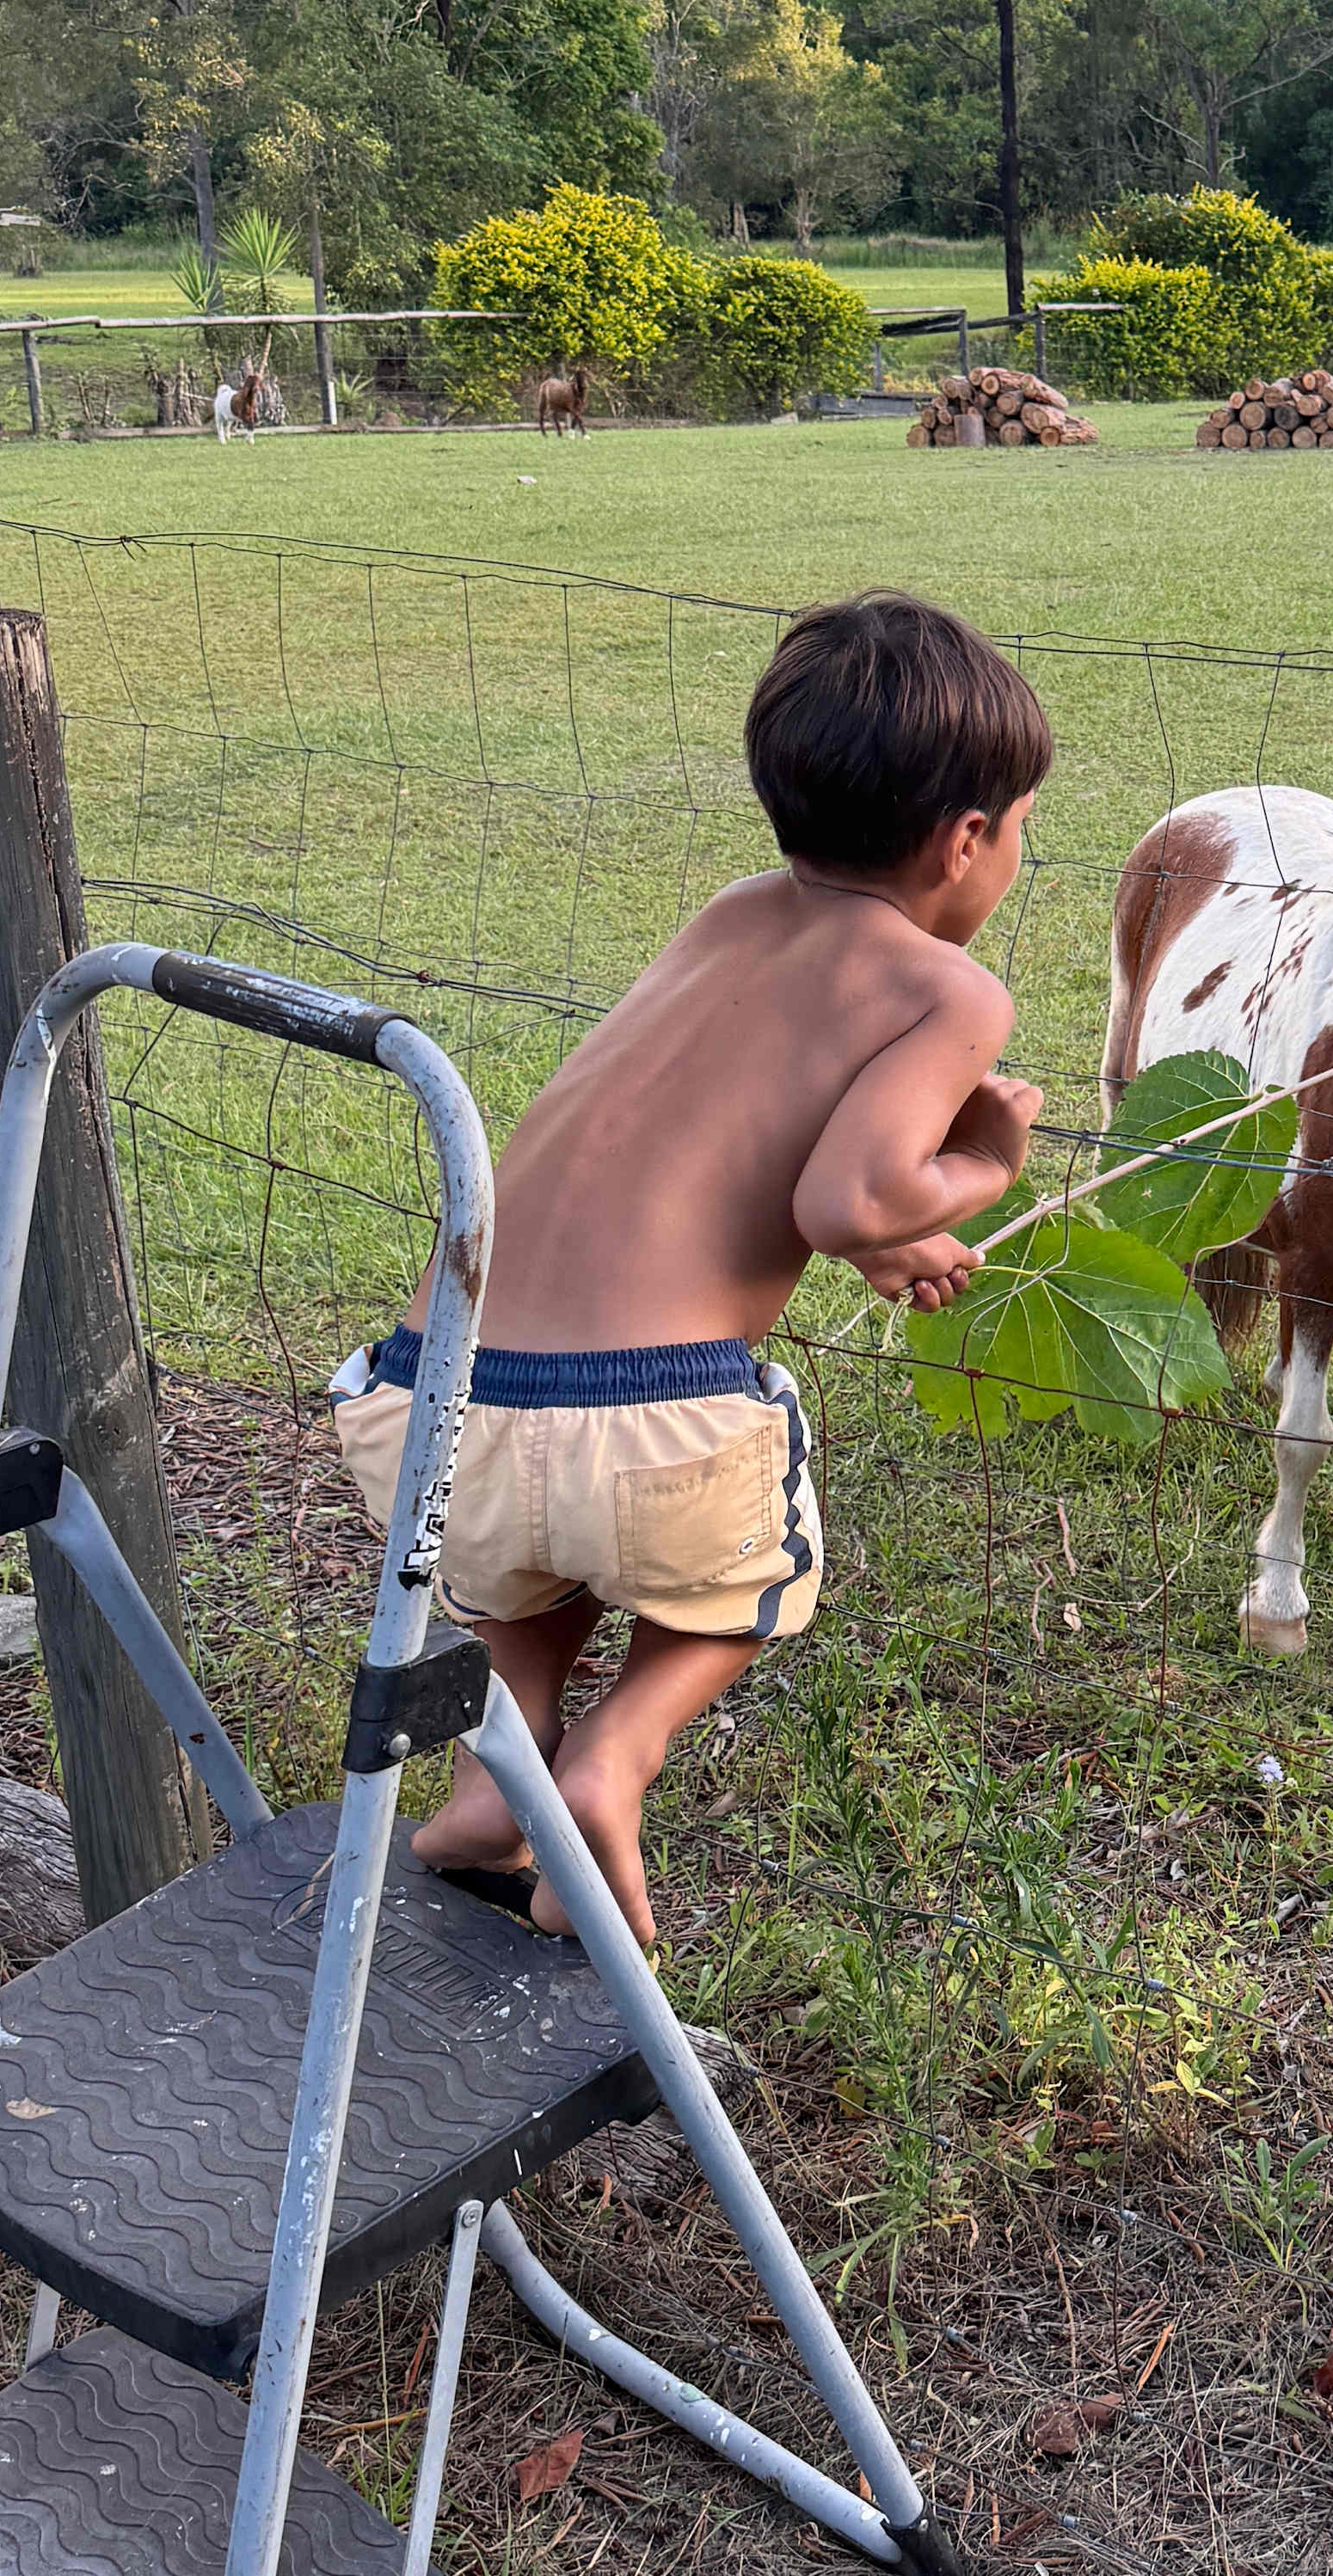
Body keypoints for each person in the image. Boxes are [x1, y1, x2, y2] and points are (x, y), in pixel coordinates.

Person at [330, 592, 1048, 1947]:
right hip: (644, 1433)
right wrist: (983, 1168)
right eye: (1022, 829)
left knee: (531, 1562)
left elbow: (719, 1153)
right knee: (738, 1577)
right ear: (968, 840)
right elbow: (848, 1196)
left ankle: (501, 1776)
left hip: (427, 1413)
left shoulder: (728, 917)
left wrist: (881, 1229)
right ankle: (617, 1755)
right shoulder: (952, 991)